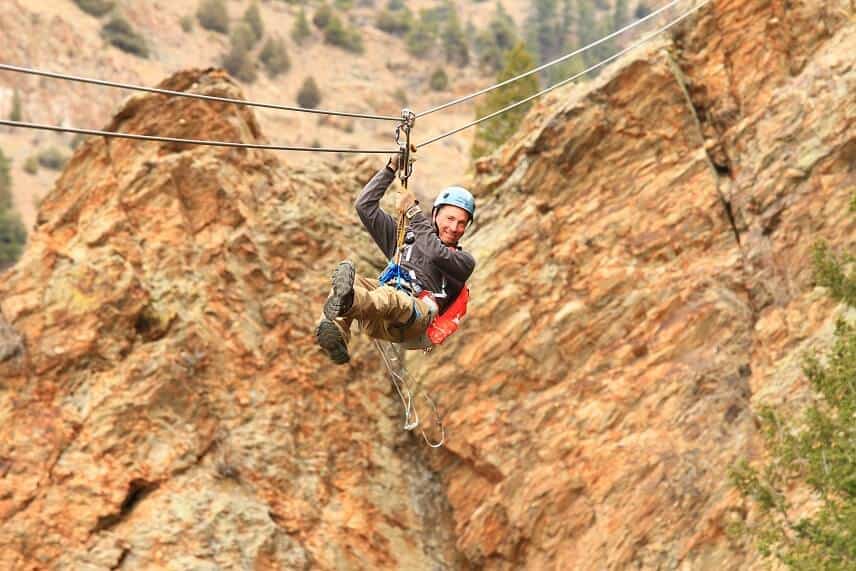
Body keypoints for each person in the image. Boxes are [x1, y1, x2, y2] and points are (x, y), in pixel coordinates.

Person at [315, 154, 476, 364]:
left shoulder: (463, 262)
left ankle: (349, 300)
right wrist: (390, 168)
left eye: (462, 223)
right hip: (379, 316)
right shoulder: (405, 238)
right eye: (450, 219)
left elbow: (436, 252)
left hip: (413, 317)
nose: (455, 228)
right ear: (435, 214)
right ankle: (335, 336)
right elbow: (365, 207)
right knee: (355, 281)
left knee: (390, 296)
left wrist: (413, 212)